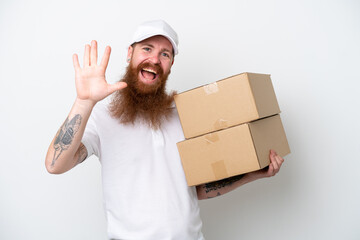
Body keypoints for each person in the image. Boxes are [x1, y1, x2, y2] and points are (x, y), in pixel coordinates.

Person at [45, 20, 284, 240]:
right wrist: (84, 102)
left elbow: (198, 190)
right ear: (130, 53)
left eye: (165, 54)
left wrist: (255, 173)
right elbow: (55, 165)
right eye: (147, 49)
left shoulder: (185, 116)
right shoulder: (101, 116)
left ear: (171, 64)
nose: (155, 59)